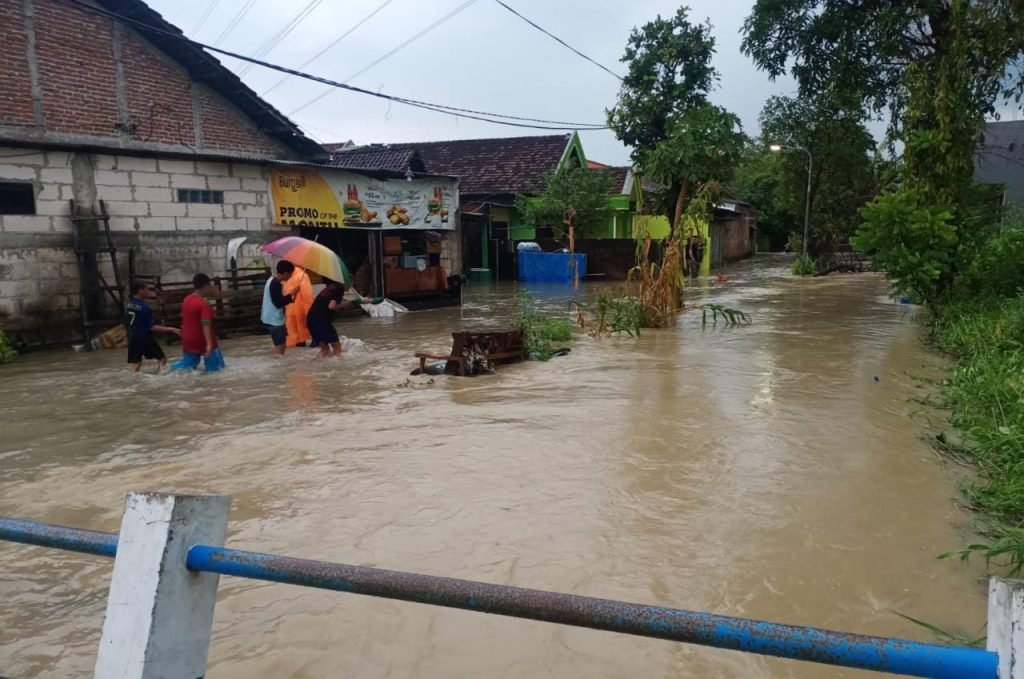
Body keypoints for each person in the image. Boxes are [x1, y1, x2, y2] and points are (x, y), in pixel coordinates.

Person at [171, 273, 225, 373]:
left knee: (187, 365)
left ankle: (168, 370)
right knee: (216, 369)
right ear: (206, 286)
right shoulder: (204, 304)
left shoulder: (186, 299)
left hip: (188, 339)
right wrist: (209, 345)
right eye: (210, 285)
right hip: (202, 340)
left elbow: (185, 318)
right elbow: (206, 325)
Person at [306, 279, 372, 358]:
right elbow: (331, 306)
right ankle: (339, 364)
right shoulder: (339, 289)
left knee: (325, 349)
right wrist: (352, 304)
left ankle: (318, 364)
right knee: (337, 346)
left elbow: (332, 301)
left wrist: (357, 301)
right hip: (321, 320)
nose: (351, 286)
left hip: (311, 319)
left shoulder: (331, 288)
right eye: (351, 282)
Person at [125, 279, 179, 372]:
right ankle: (160, 377)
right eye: (146, 289)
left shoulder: (129, 305)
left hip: (133, 336)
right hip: (145, 337)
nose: (148, 291)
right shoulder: (144, 307)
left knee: (137, 363)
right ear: (140, 290)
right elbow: (152, 327)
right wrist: (171, 329)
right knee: (161, 358)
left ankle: (132, 378)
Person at [261, 260, 295, 355]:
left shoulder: (271, 280)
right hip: (274, 319)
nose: (291, 276)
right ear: (285, 273)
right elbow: (279, 303)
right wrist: (291, 294)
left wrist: (290, 297)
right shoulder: (275, 284)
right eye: (291, 274)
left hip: (271, 318)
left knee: (282, 344)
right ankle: (276, 362)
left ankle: (279, 363)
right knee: (279, 346)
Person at [284, 265, 313, 348]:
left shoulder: (289, 276)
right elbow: (307, 295)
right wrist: (309, 309)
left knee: (293, 335)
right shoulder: (302, 276)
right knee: (302, 336)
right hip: (299, 310)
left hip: (290, 310)